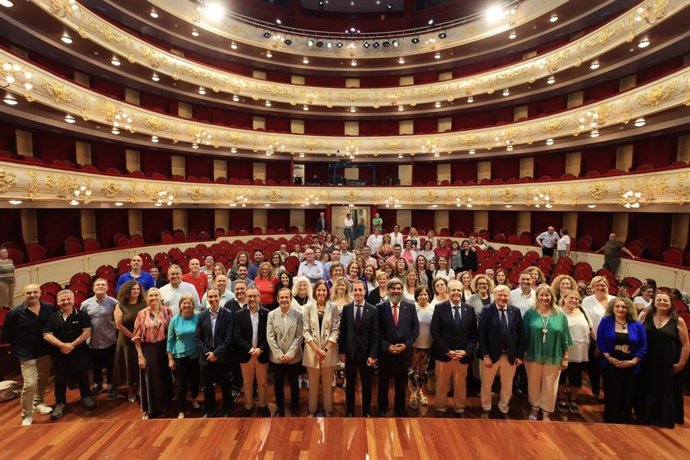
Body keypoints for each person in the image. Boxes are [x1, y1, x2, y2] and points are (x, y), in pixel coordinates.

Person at [2, 284, 55, 425]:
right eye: (28, 292)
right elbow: (8, 334)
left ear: (40, 293)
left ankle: (39, 403)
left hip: (45, 350)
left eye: (35, 292)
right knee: (30, 384)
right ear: (24, 295)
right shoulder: (15, 313)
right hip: (26, 353)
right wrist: (17, 347)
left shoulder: (49, 308)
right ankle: (26, 414)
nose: (32, 295)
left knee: (43, 378)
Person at [638, 291, 689, 428]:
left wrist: (682, 363)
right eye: (659, 300)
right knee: (646, 388)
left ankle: (662, 418)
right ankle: (645, 416)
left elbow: (685, 345)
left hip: (666, 362)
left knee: (665, 390)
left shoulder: (678, 320)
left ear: (671, 303)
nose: (662, 302)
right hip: (646, 360)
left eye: (665, 300)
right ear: (654, 302)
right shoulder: (645, 315)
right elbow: (635, 334)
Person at [43, 289, 95, 420]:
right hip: (59, 354)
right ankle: (60, 403)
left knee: (82, 375)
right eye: (62, 300)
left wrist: (71, 345)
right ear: (58, 302)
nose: (66, 302)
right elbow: (47, 335)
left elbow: (87, 332)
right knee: (60, 380)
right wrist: (62, 346)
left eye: (68, 299)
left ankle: (86, 397)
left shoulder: (82, 315)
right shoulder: (52, 317)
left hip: (79, 352)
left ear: (73, 300)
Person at [523, 284, 572, 421]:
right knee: (533, 383)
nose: (545, 298)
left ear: (552, 296)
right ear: (537, 297)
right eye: (542, 295)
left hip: (554, 355)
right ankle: (534, 406)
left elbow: (565, 337)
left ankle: (546, 411)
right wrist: (522, 352)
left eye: (547, 295)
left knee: (550, 385)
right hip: (533, 354)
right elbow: (523, 335)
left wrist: (565, 357)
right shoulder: (529, 314)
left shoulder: (560, 315)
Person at [431, 279, 478, 417]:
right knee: (442, 384)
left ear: (462, 292)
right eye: (453, 290)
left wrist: (466, 351)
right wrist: (447, 351)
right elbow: (435, 333)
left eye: (459, 290)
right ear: (448, 292)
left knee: (460, 384)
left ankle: (459, 408)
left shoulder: (469, 310)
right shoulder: (440, 308)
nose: (456, 293)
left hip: (462, 356)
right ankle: (440, 408)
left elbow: (474, 335)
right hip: (444, 355)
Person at [597, 297, 647, 424]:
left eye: (624, 307)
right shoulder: (606, 321)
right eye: (617, 306)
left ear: (629, 309)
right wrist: (609, 357)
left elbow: (643, 345)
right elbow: (600, 340)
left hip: (631, 364)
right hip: (611, 363)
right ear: (612, 308)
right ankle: (611, 418)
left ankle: (625, 419)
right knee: (612, 392)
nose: (620, 309)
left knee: (628, 393)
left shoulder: (637, 324)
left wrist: (634, 361)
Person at [478, 285, 525, 416]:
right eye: (500, 295)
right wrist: (485, 355)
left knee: (507, 384)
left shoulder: (515, 311)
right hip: (490, 356)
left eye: (505, 295)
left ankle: (503, 406)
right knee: (487, 384)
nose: (502, 298)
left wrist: (520, 355)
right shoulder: (486, 310)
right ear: (494, 295)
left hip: (510, 356)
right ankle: (486, 406)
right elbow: (481, 335)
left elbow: (521, 333)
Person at [376, 278, 419, 417]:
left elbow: (415, 329)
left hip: (403, 352)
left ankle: (400, 407)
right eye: (393, 288)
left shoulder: (410, 307)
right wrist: (387, 346)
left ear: (402, 290)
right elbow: (376, 331)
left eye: (398, 288)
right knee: (383, 382)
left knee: (401, 382)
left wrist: (405, 345)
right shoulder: (379, 308)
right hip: (385, 352)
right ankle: (382, 407)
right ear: (388, 290)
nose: (396, 291)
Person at [132, 287, 173, 419]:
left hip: (164, 348)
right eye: (151, 296)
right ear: (146, 298)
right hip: (148, 349)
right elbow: (136, 337)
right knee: (149, 379)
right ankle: (149, 408)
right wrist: (140, 355)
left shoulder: (167, 311)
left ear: (160, 297)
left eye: (156, 295)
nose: (154, 298)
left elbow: (172, 332)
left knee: (163, 377)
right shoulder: (141, 314)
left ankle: (163, 404)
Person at [339, 279, 378, 417]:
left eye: (360, 290)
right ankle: (349, 410)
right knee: (349, 384)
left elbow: (375, 335)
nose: (357, 293)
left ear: (365, 291)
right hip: (350, 353)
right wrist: (341, 351)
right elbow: (343, 331)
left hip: (366, 353)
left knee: (367, 384)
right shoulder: (347, 308)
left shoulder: (373, 310)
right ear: (352, 292)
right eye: (355, 290)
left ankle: (366, 410)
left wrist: (373, 355)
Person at [195, 288, 235, 418]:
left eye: (215, 297)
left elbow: (228, 338)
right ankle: (209, 410)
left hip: (222, 357)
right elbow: (197, 337)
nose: (213, 299)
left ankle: (227, 410)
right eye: (210, 297)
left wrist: (216, 353)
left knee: (225, 385)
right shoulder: (201, 315)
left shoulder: (228, 314)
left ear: (220, 297)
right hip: (206, 357)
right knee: (208, 386)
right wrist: (208, 353)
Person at [302, 280, 340, 416]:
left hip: (328, 351)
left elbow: (336, 330)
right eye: (319, 290)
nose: (321, 293)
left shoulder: (333, 307)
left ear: (327, 292)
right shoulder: (307, 307)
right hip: (312, 351)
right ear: (314, 292)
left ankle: (328, 409)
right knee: (312, 384)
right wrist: (318, 350)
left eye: (324, 290)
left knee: (327, 384)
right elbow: (305, 331)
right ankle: (312, 410)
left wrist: (325, 350)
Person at [556, 290, 595, 415]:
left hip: (580, 350)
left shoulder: (583, 311)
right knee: (562, 375)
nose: (574, 301)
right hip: (562, 349)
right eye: (571, 298)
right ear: (564, 298)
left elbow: (591, 328)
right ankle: (561, 398)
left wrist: (599, 344)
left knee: (576, 377)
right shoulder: (558, 311)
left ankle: (573, 400)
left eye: (576, 299)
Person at [234, 288, 270, 417]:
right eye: (249, 296)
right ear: (245, 298)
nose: (252, 299)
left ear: (259, 298)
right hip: (246, 354)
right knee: (247, 383)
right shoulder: (239, 314)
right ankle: (248, 405)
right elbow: (237, 335)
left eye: (255, 296)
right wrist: (249, 348)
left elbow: (269, 335)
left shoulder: (267, 314)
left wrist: (261, 349)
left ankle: (262, 404)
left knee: (262, 382)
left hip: (261, 353)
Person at [267, 287, 304, 416]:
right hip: (277, 357)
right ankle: (280, 407)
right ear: (277, 299)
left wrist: (289, 354)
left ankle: (294, 407)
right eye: (281, 297)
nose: (284, 300)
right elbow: (270, 337)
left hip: (293, 356)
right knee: (278, 384)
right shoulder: (271, 315)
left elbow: (299, 336)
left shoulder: (298, 315)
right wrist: (279, 355)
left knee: (294, 383)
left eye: (286, 297)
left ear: (290, 299)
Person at [80, 278, 118, 400]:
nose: (100, 286)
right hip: (92, 340)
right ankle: (98, 384)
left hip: (109, 338)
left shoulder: (114, 303)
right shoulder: (85, 304)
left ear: (107, 287)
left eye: (103, 285)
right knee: (95, 364)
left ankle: (112, 385)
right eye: (98, 285)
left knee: (110, 364)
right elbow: (82, 322)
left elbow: (117, 321)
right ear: (93, 288)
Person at [581, 276, 615, 401]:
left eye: (603, 285)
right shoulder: (587, 301)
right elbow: (588, 322)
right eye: (597, 286)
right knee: (595, 368)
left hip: (612, 340)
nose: (601, 288)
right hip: (594, 338)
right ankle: (595, 392)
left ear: (608, 286)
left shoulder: (614, 300)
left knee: (609, 368)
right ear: (593, 288)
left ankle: (609, 394)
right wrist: (598, 342)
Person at [166, 294, 200, 418]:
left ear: (193, 305)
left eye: (189, 303)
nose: (186, 305)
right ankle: (181, 409)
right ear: (180, 305)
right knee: (181, 383)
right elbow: (170, 340)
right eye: (184, 303)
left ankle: (194, 398)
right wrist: (170, 358)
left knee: (195, 380)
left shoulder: (198, 318)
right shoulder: (175, 320)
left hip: (195, 354)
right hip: (179, 355)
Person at [113, 280, 147, 402]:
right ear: (127, 291)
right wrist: (133, 336)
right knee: (129, 365)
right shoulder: (120, 304)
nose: (136, 291)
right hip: (127, 340)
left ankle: (140, 387)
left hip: (142, 338)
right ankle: (131, 389)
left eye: (138, 289)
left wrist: (140, 336)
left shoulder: (144, 303)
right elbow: (118, 325)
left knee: (140, 364)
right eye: (133, 289)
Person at [408, 286, 434, 410]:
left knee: (423, 371)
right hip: (414, 345)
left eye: (425, 294)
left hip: (427, 344)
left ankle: (420, 391)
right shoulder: (412, 308)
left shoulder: (433, 308)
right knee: (412, 370)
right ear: (416, 296)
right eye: (420, 295)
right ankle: (413, 394)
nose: (423, 297)